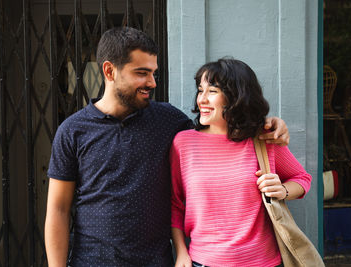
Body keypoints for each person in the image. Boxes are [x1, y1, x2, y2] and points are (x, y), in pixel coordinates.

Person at [44, 27, 289, 267]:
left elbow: (220, 129)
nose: (151, 82)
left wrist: (264, 125)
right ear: (109, 71)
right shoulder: (73, 130)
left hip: (156, 261)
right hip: (92, 261)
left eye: (153, 73)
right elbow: (58, 209)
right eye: (141, 73)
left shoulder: (169, 120)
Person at [170, 58, 312, 267]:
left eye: (212, 91)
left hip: (263, 262)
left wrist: (282, 190)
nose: (202, 99)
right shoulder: (183, 143)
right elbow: (176, 204)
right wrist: (181, 252)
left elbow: (302, 179)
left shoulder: (263, 138)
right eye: (201, 90)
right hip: (204, 261)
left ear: (235, 96)